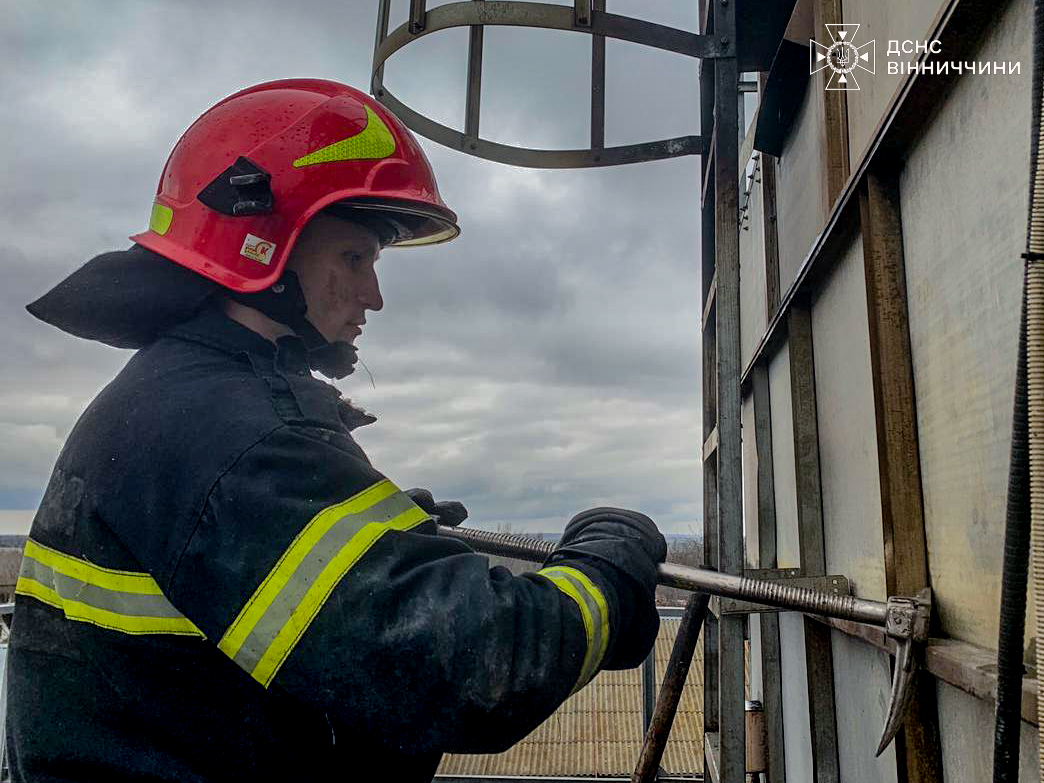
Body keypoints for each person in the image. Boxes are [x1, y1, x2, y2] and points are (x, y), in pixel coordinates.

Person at [8, 79, 667, 782]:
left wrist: (377, 554)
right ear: (261, 246)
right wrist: (609, 561)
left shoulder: (179, 398)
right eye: (354, 258)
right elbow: (479, 668)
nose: (374, 295)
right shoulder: (233, 439)